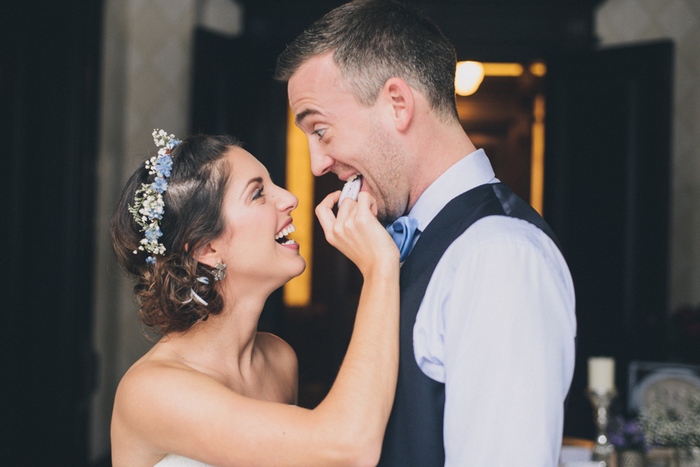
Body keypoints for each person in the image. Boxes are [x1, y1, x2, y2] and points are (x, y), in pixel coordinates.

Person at [275, 1, 577, 465]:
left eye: (321, 129)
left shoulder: (497, 254)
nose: (318, 164)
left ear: (398, 104)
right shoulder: (405, 244)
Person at [110, 129, 400, 466]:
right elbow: (346, 447)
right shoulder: (151, 391)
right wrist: (380, 268)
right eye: (258, 193)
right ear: (208, 248)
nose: (289, 198)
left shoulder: (278, 360)